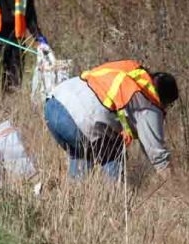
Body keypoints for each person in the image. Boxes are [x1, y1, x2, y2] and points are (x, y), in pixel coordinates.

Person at [44, 59, 179, 181]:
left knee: (83, 153)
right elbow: (156, 153)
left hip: (53, 104)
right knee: (114, 151)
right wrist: (173, 184)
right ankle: (114, 195)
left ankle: (74, 195)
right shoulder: (148, 102)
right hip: (80, 120)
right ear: (165, 101)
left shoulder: (131, 69)